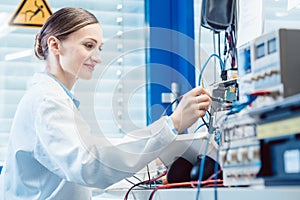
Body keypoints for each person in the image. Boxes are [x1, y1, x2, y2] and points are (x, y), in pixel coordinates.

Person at [0, 7, 211, 200]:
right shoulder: (47, 102)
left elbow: (86, 160)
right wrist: (172, 124)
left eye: (99, 48)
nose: (97, 58)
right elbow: (89, 167)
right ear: (55, 45)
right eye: (88, 45)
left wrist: (151, 156)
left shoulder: (55, 97)